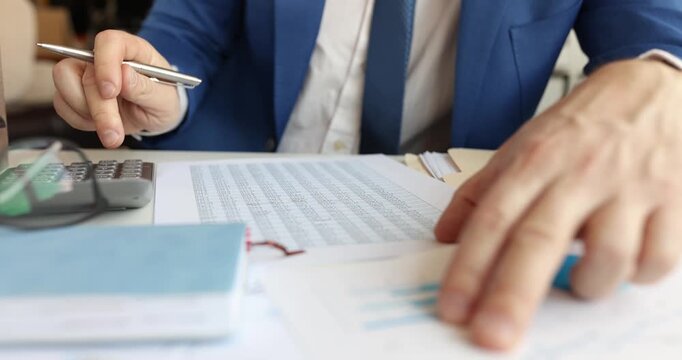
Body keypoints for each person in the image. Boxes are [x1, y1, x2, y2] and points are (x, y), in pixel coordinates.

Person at [51, 0, 682, 351]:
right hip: (237, 199)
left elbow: (660, 34)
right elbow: (184, 37)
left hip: (441, 222)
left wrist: (659, 78)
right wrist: (152, 91)